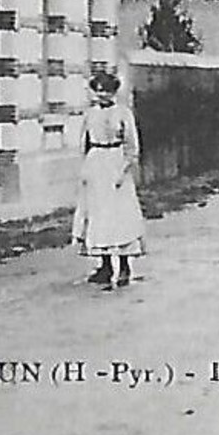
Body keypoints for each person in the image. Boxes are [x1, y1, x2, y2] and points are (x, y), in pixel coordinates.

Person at [71, 70, 145, 290]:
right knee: (96, 214)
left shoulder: (123, 113)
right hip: (96, 163)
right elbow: (84, 143)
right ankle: (104, 265)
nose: (102, 95)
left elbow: (132, 147)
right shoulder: (90, 114)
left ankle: (124, 265)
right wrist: (84, 169)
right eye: (99, 91)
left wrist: (122, 171)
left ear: (114, 92)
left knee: (119, 214)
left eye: (107, 91)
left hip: (115, 161)